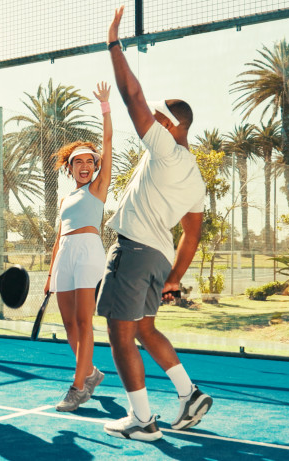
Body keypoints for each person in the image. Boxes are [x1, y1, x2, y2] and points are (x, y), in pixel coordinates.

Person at [97, 6, 211, 442]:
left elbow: (133, 96)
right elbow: (192, 235)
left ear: (169, 124)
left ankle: (143, 421)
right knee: (144, 327)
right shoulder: (195, 177)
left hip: (135, 249)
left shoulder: (165, 148)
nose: (152, 119)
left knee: (119, 332)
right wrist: (175, 277)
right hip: (159, 256)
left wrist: (114, 43)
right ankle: (189, 394)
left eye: (159, 116)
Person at [44, 82, 113, 412]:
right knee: (69, 324)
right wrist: (49, 275)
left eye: (90, 161)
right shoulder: (65, 198)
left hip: (89, 252)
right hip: (64, 257)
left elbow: (108, 143)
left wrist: (105, 107)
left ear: (96, 166)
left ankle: (78, 387)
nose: (85, 166)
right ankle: (91, 373)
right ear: (69, 167)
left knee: (85, 323)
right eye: (78, 162)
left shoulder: (98, 189)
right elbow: (59, 238)